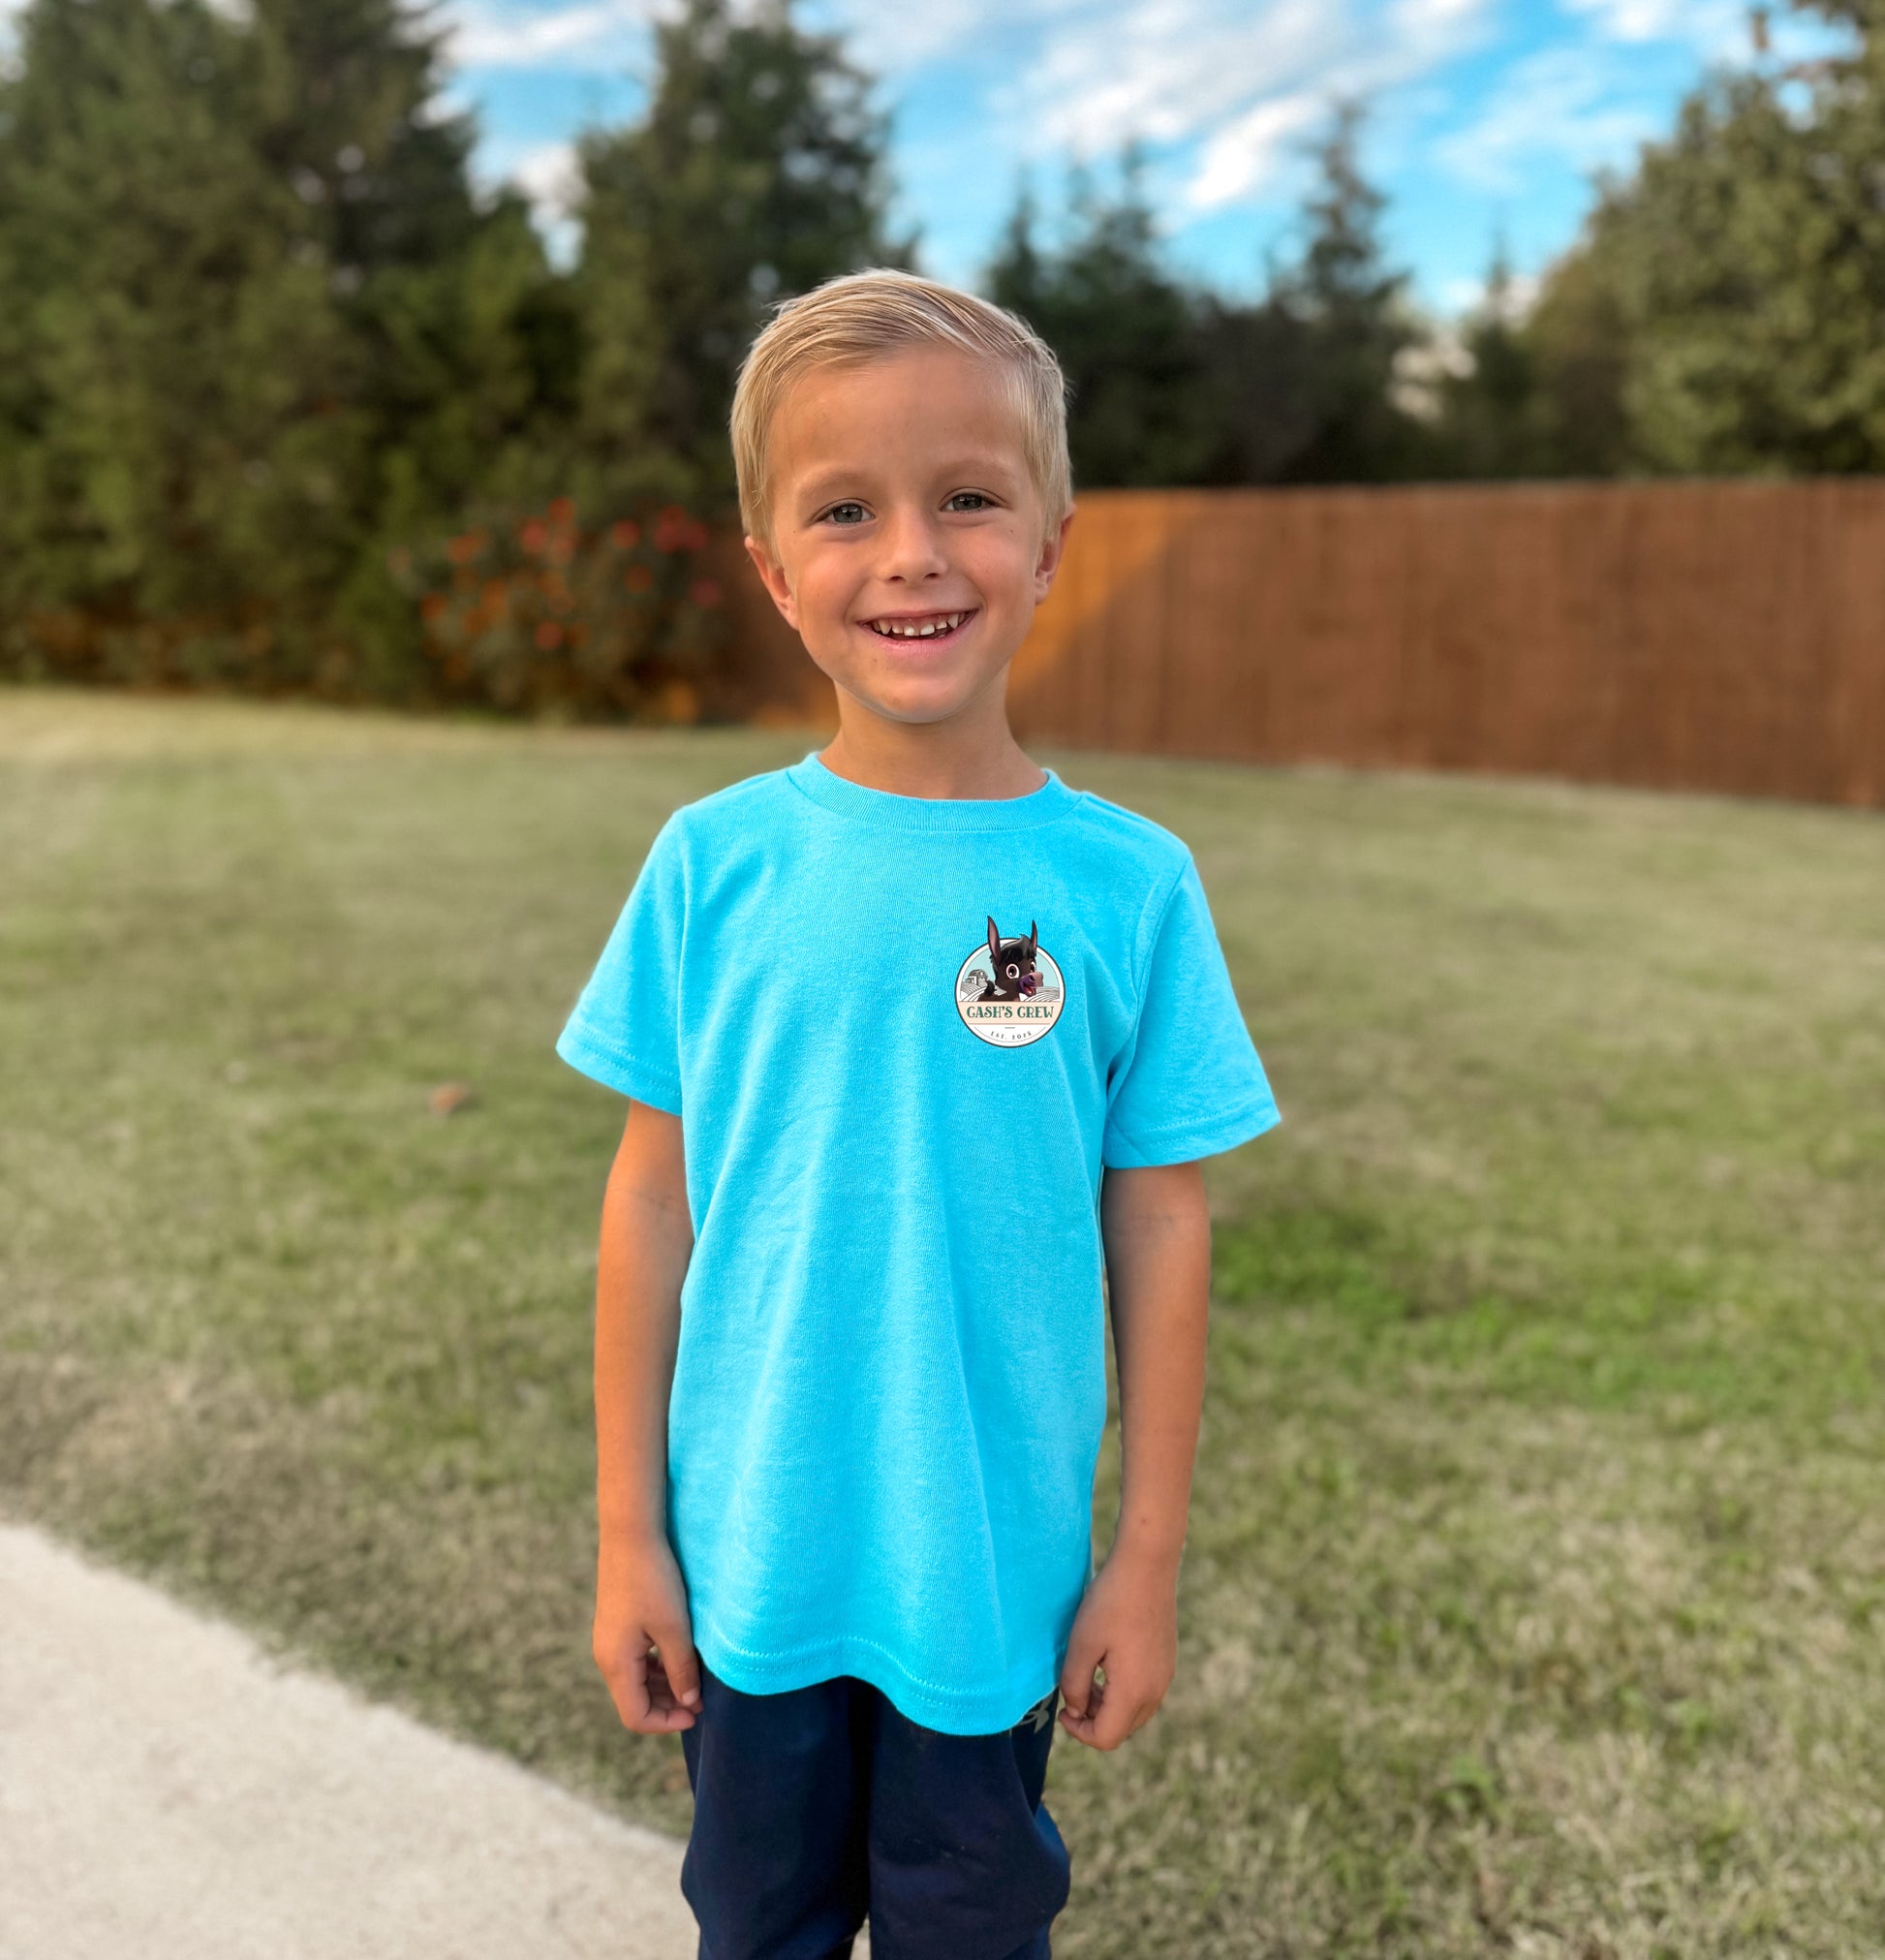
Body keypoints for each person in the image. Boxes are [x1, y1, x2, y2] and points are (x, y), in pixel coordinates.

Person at [555, 266, 1282, 1960]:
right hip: (752, 1576)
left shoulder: (1127, 888)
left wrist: (1144, 1560)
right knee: (759, 1925)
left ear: (1050, 539)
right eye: (843, 509)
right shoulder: (708, 868)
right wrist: (624, 1539)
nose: (911, 552)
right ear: (772, 571)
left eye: (968, 497)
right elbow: (648, 1206)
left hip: (989, 1579)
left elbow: (1160, 1224)